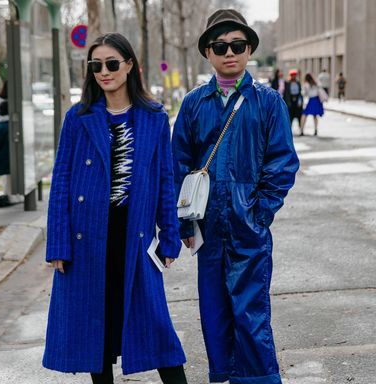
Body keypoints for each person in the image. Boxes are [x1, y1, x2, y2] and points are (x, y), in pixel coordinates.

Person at [42, 33, 188, 384]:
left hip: (135, 236)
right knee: (98, 332)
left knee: (155, 327)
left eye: (111, 64)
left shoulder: (153, 117)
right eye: (96, 66)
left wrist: (170, 237)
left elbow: (165, 180)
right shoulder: (78, 118)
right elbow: (61, 181)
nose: (104, 72)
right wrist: (58, 245)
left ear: (129, 66)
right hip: (87, 237)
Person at [172, 9, 299, 384]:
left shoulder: (267, 102)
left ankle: (259, 379)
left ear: (249, 50)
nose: (230, 52)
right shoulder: (194, 103)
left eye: (238, 45)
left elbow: (282, 163)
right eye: (220, 46)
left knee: (251, 309)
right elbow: (177, 164)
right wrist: (185, 222)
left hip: (250, 226)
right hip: (207, 228)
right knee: (214, 310)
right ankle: (225, 376)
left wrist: (260, 213)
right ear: (208, 53)